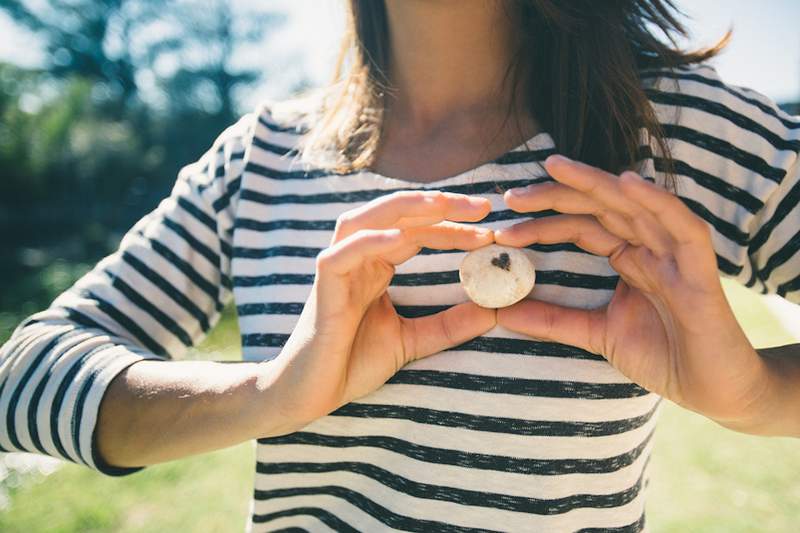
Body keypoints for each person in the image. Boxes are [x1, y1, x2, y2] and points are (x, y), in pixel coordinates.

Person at [2, 1, 799, 531]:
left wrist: (755, 396)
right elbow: (21, 378)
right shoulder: (265, 158)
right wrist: (268, 393)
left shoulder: (671, 132)